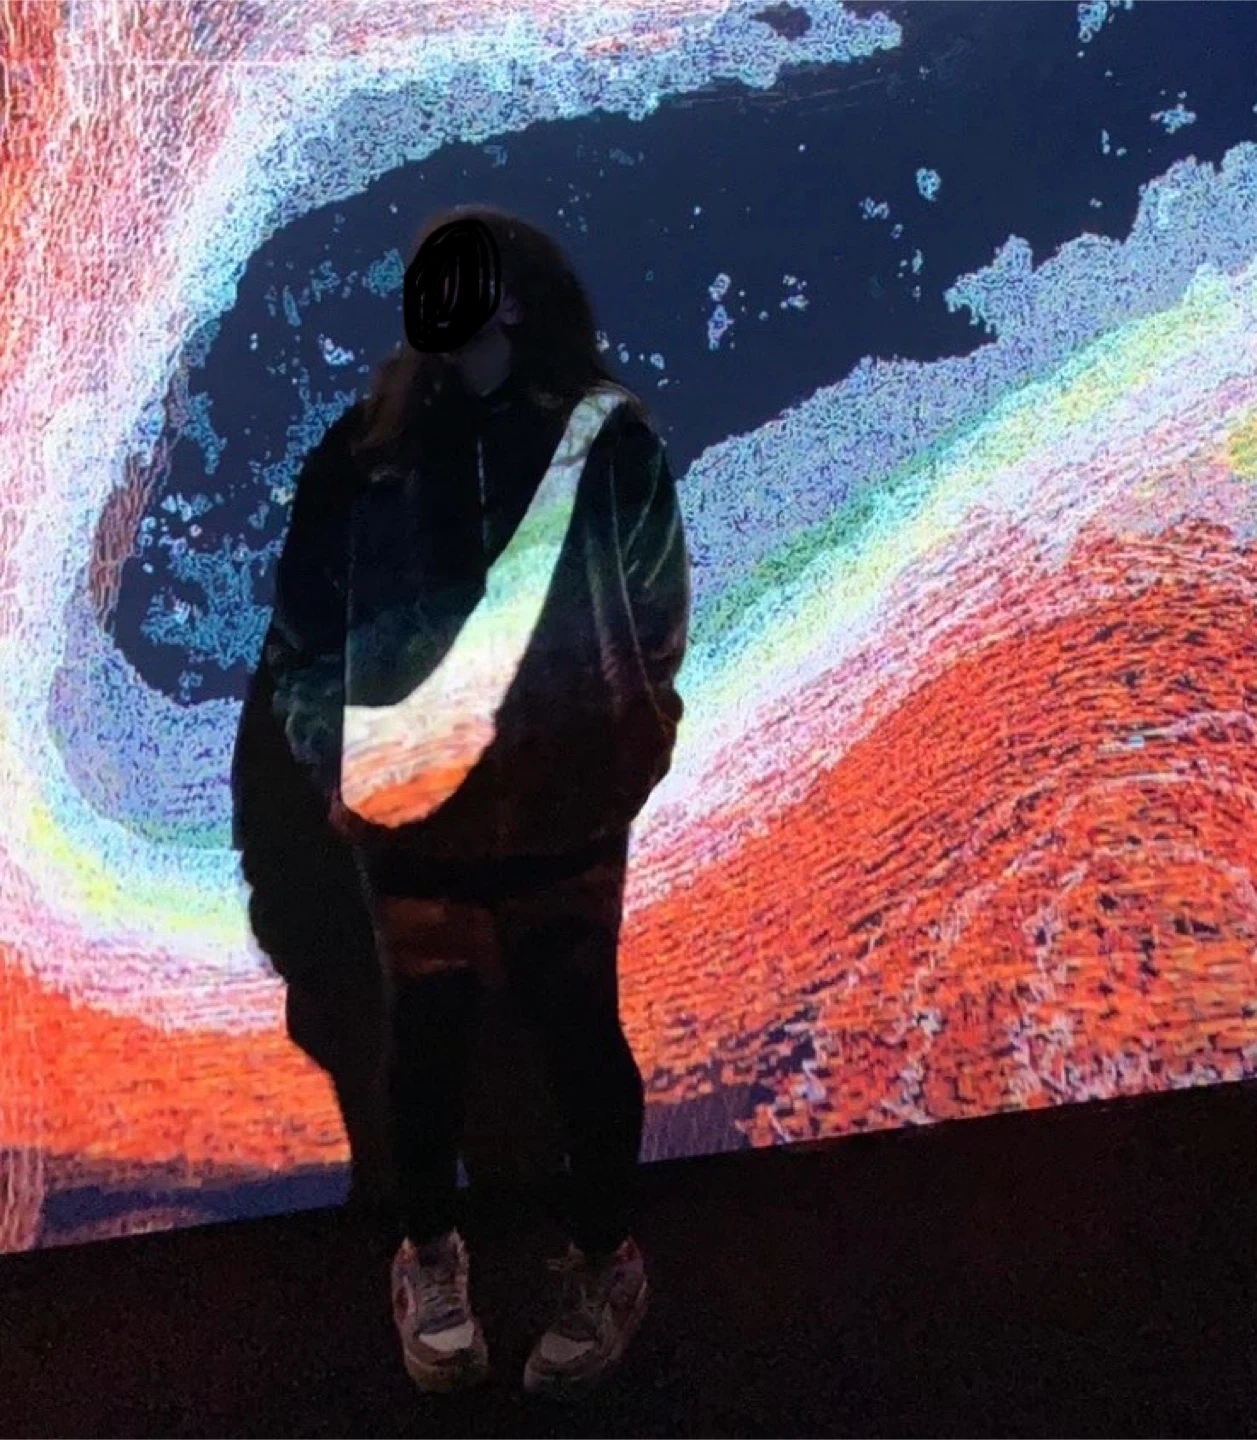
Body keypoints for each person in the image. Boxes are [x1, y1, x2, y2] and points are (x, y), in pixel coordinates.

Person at [263, 203, 691, 1403]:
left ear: (514, 293)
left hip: (565, 816)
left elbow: (658, 613)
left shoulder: (608, 441)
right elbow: (301, 636)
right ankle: (431, 1259)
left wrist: (624, 747)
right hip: (416, 824)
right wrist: (341, 768)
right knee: (426, 1043)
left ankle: (603, 1261)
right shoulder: (362, 454)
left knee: (580, 1034)